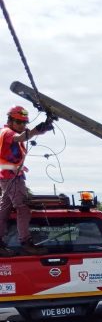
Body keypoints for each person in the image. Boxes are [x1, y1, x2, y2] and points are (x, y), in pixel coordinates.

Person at [0, 106, 56, 256]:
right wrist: (38, 129)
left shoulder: (10, 132)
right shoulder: (7, 132)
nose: (22, 125)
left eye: (24, 122)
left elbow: (26, 134)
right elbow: (21, 137)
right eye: (18, 122)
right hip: (11, 179)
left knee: (4, 210)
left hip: (7, 178)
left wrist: (42, 128)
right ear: (10, 121)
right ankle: (26, 242)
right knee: (23, 208)